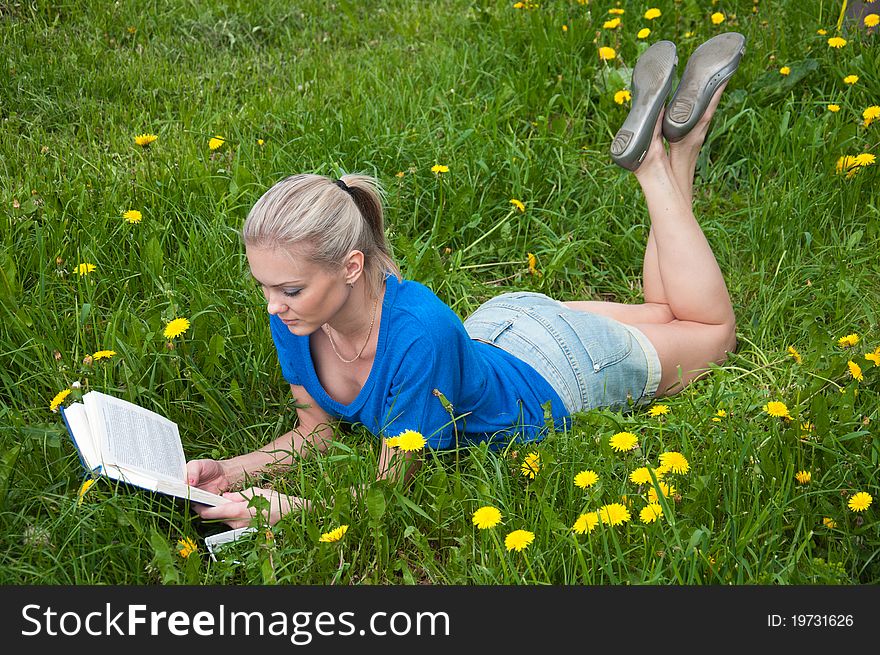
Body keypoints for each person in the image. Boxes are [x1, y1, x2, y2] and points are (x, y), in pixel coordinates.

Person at [189, 34, 745, 529]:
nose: (274, 307)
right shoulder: (299, 318)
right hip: (497, 330)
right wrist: (231, 471)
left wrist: (278, 509)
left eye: (289, 290)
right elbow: (315, 431)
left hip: (559, 370)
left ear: (352, 267)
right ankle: (682, 145)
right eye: (264, 286)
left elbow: (387, 495)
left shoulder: (415, 334)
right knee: (672, 313)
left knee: (710, 331)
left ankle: (653, 165)